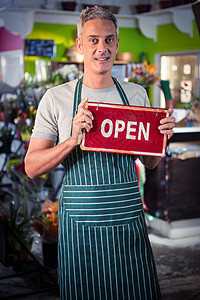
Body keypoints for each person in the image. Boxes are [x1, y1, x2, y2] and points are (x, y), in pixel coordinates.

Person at [25, 6, 175, 300]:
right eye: (93, 40)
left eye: (109, 40)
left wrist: (160, 140)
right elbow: (31, 167)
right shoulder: (56, 98)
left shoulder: (136, 95)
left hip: (127, 223)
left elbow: (151, 163)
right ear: (80, 45)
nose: (101, 48)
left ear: (117, 44)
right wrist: (71, 140)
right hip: (82, 227)